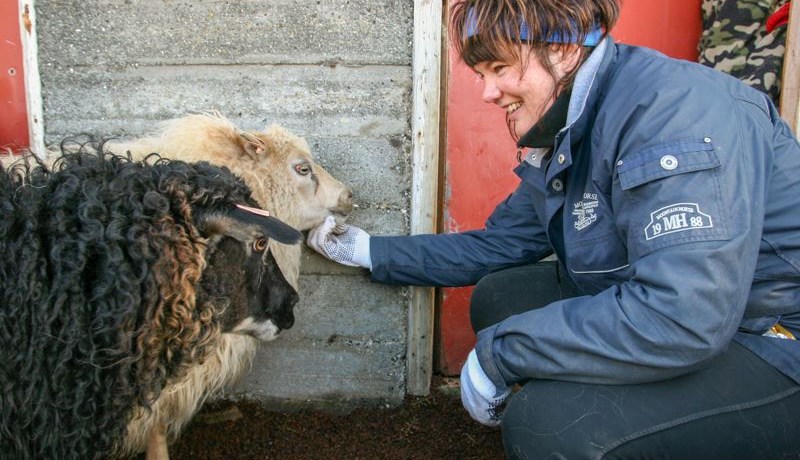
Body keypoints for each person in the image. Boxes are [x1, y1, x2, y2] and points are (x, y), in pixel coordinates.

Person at [308, 0, 800, 457]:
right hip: (703, 322)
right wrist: (370, 251)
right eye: (480, 74)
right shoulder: (573, 127)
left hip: (771, 339)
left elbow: (683, 316)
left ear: (563, 51)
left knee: (551, 426)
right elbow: (501, 243)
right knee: (502, 297)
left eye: (499, 68)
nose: (487, 92)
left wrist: (503, 353)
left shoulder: (674, 114)